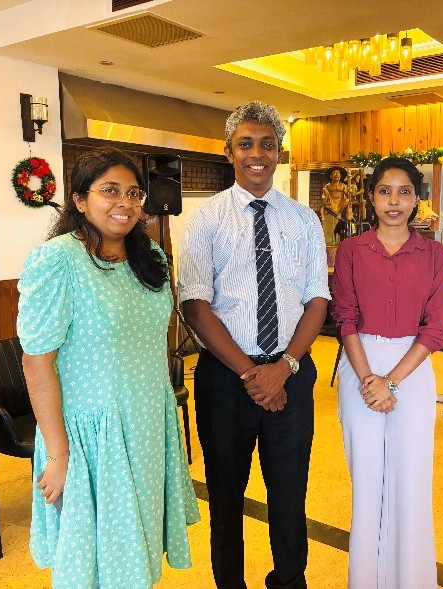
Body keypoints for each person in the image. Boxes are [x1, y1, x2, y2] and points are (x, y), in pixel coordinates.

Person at [17, 147, 199, 589]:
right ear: (80, 200)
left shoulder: (150, 256)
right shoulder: (59, 260)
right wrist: (58, 455)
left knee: (137, 547)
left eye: (134, 193)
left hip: (147, 424)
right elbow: (36, 363)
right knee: (95, 560)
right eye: (110, 191)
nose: (125, 202)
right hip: (91, 437)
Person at [178, 101, 330, 589]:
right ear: (229, 152)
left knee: (290, 493)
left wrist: (283, 368)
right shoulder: (204, 219)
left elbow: (317, 300)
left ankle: (288, 581)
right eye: (246, 144)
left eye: (267, 144)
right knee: (225, 497)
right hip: (226, 381)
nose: (257, 154)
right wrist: (252, 374)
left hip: (291, 376)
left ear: (279, 152)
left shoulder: (304, 220)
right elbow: (195, 305)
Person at [330, 157, 443, 588]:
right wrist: (369, 380)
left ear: (417, 199)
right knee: (366, 479)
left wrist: (391, 382)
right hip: (359, 364)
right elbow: (344, 318)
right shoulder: (351, 250)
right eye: (385, 191)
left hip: (412, 369)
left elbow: (436, 328)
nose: (394, 201)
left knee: (410, 479)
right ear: (371, 197)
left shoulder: (434, 255)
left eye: (404, 192)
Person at [320, 166, 354, 244]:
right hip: (331, 203)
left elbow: (348, 194)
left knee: (347, 201)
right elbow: (324, 195)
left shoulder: (343, 185)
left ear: (341, 176)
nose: (336, 175)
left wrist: (350, 189)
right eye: (334, 173)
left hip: (341, 203)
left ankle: (339, 214)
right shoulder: (327, 186)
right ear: (331, 176)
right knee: (323, 207)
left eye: (338, 173)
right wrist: (325, 199)